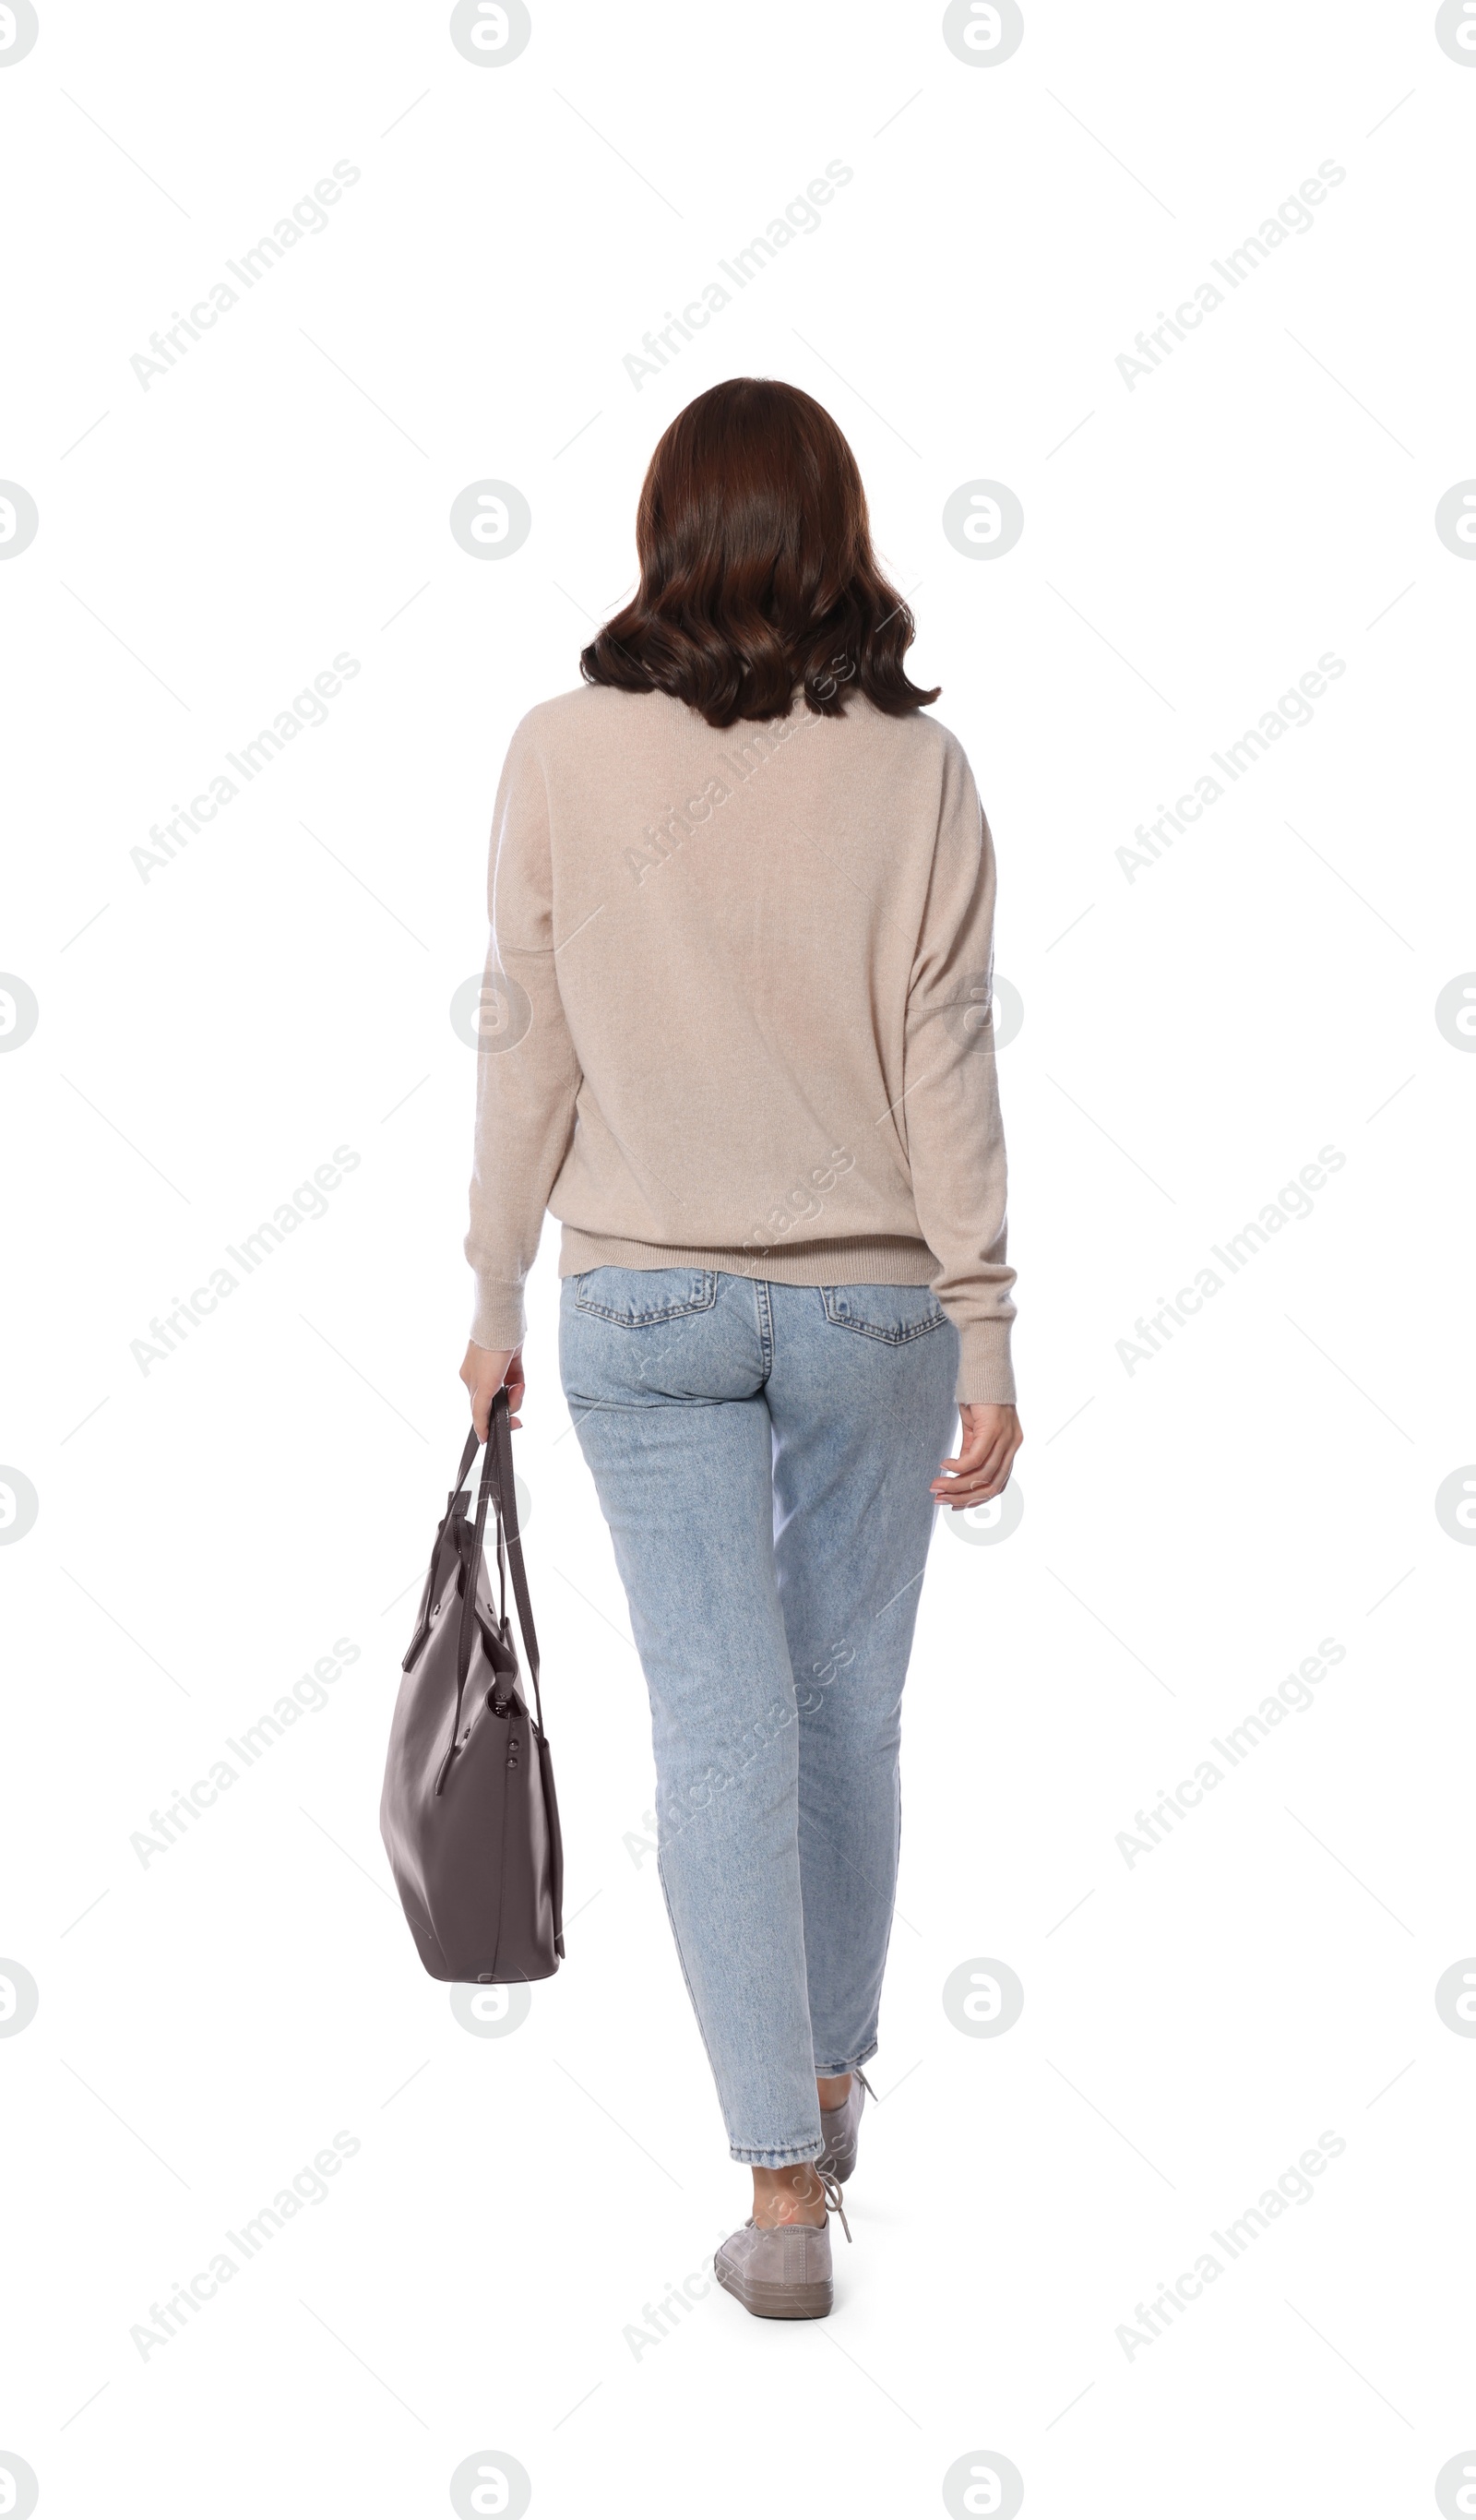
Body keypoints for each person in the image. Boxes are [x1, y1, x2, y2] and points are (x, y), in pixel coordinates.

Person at [458, 376, 1022, 2320]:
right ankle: (835, 2080)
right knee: (841, 1711)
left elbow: (521, 1035)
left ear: (663, 531)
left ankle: (781, 2195)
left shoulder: (557, 749)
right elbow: (941, 1053)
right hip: (875, 1298)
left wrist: (486, 1292)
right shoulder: (915, 771)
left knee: (716, 1725)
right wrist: (984, 1322)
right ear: (837, 530)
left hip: (642, 1297)